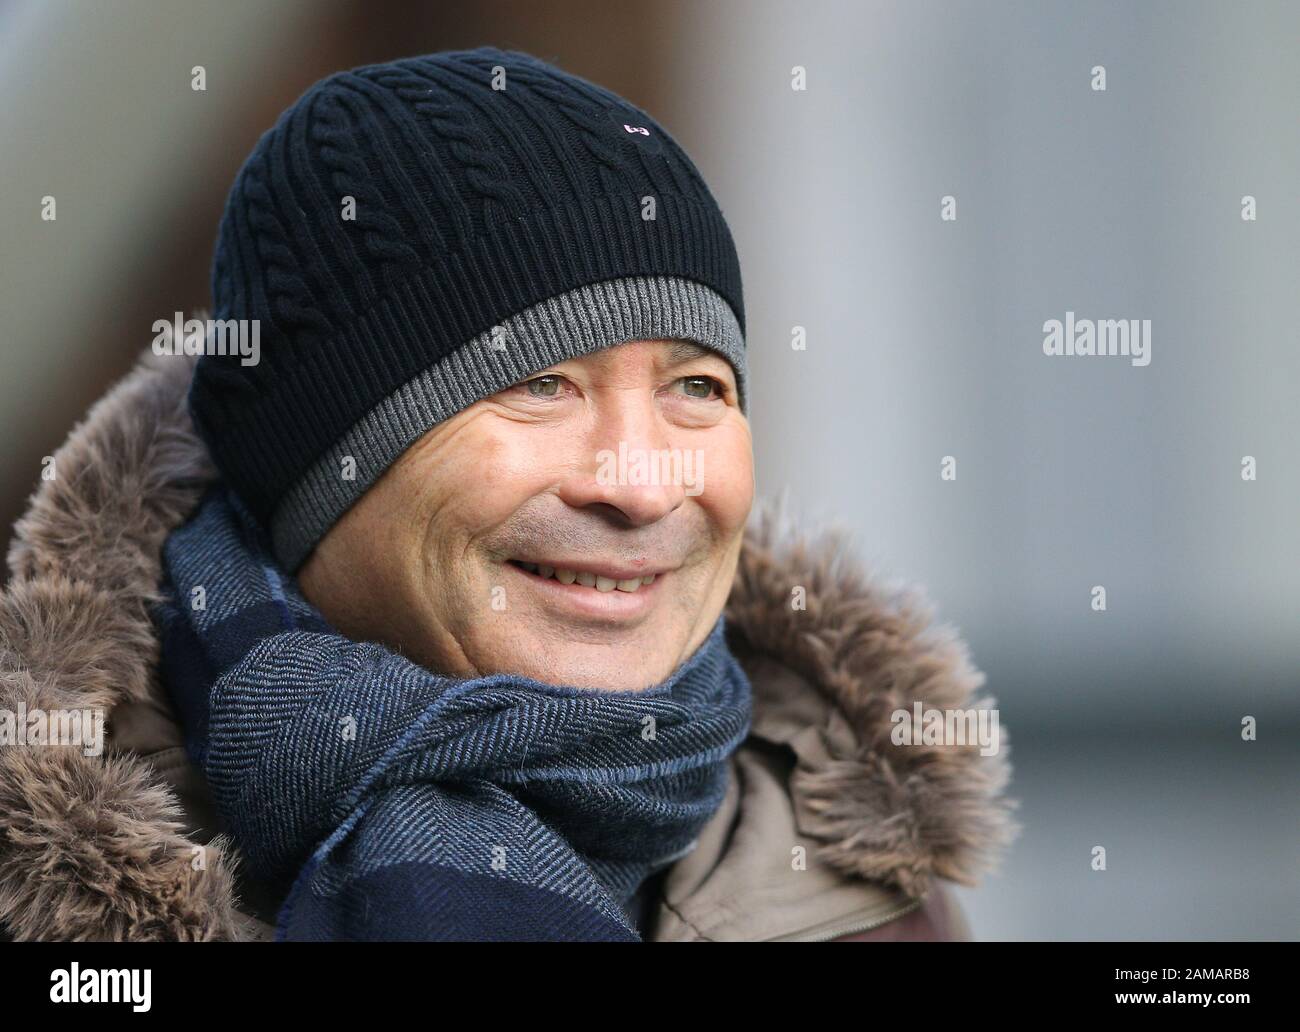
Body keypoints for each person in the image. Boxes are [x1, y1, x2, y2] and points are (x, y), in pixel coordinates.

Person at [0, 47, 1016, 941]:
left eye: (695, 387)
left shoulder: (857, 892)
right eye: (539, 384)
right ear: (315, 463)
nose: (640, 481)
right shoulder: (40, 891)